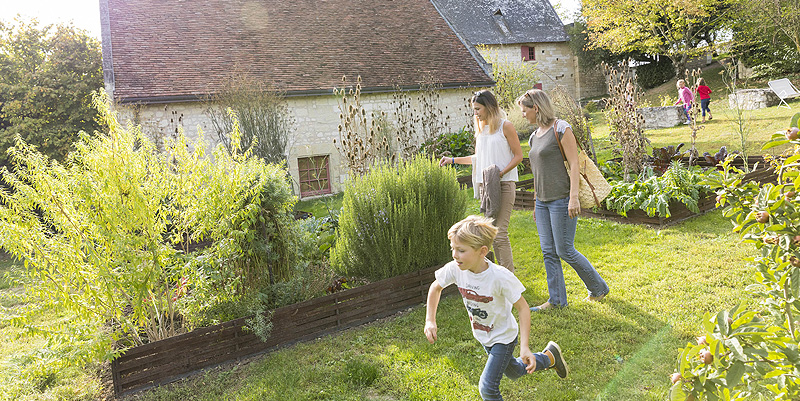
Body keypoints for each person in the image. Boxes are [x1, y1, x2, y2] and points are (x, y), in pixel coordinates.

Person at [424, 215, 568, 401]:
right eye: (453, 249)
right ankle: (549, 357)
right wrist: (430, 320)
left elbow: (523, 308)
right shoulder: (455, 269)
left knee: (487, 388)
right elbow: (435, 288)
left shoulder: (500, 277)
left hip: (503, 337)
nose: (454, 254)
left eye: (461, 250)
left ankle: (544, 357)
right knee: (515, 371)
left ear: (482, 251)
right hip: (484, 336)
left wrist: (524, 347)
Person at [516, 89, 609, 311]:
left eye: (524, 110)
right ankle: (556, 300)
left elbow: (575, 164)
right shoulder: (534, 135)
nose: (522, 115)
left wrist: (574, 197)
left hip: (562, 199)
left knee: (564, 249)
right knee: (548, 251)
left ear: (535, 108)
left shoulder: (561, 128)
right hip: (543, 201)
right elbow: (539, 171)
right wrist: (536, 202)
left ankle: (599, 289)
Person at [439, 90, 523, 272]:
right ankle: (499, 275)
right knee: (490, 235)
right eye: (474, 109)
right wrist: (452, 160)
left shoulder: (505, 126)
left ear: (489, 107)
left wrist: (500, 173)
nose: (475, 113)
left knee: (499, 234)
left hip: (505, 184)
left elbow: (518, 156)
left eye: (478, 109)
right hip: (488, 187)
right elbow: (479, 157)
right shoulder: (482, 130)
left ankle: (509, 277)